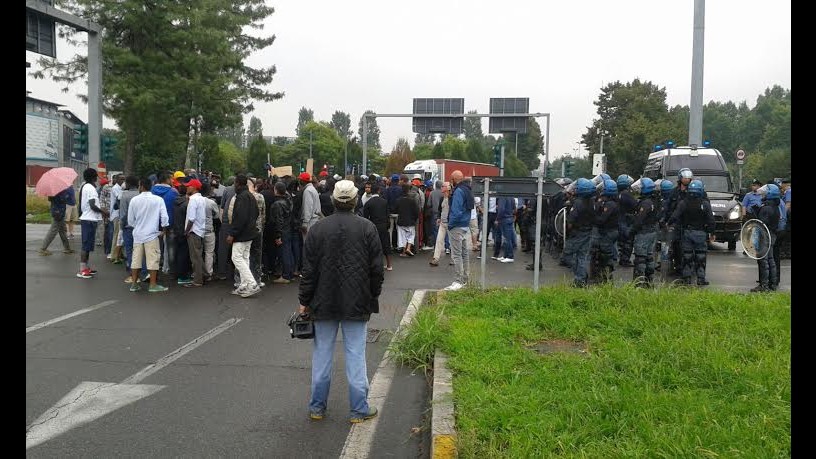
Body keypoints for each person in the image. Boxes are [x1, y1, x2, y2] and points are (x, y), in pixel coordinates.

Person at [298, 179, 384, 423]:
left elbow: (309, 271)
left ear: (333, 201)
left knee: (322, 355)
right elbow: (376, 270)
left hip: (322, 303)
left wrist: (304, 300)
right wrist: (372, 295)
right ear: (355, 200)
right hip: (357, 301)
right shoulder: (367, 228)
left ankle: (317, 407)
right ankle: (358, 409)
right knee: (356, 355)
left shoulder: (317, 229)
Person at [127, 178, 170, 292]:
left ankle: (134, 284)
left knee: (136, 260)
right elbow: (164, 217)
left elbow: (130, 220)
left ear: (141, 186)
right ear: (151, 186)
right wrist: (164, 230)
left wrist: (137, 226)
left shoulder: (134, 200)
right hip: (152, 234)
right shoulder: (158, 200)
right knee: (153, 260)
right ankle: (153, 284)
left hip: (138, 234)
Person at [669, 179, 714, 286]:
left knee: (687, 256)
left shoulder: (683, 203)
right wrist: (712, 233)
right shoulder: (705, 204)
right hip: (701, 233)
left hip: (687, 233)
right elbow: (711, 220)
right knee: (701, 257)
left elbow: (675, 216)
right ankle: (701, 279)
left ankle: (687, 279)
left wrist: (669, 223)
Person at [226, 174, 261, 298]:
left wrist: (232, 233)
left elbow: (239, 218)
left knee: (236, 258)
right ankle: (244, 284)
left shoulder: (241, 197)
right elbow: (256, 212)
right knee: (245, 258)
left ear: (237, 183)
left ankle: (251, 284)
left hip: (241, 234)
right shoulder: (251, 196)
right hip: (250, 232)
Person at [444, 170, 473, 291]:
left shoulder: (458, 191)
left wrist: (450, 225)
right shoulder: (468, 189)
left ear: (454, 179)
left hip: (456, 226)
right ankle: (466, 279)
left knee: (456, 255)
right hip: (465, 225)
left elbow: (456, 211)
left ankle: (458, 281)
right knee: (464, 253)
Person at [77, 168, 107, 279]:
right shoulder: (91, 188)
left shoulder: (85, 186)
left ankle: (86, 267)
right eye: (96, 176)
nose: (97, 179)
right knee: (86, 245)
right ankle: (82, 270)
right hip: (89, 219)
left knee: (88, 245)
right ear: (93, 177)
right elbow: (92, 205)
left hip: (87, 218)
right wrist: (103, 211)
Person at [751, 184, 781, 292]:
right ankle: (773, 284)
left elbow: (760, 223)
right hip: (772, 234)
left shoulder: (766, 208)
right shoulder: (775, 206)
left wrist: (756, 211)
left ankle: (764, 285)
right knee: (771, 260)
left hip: (764, 235)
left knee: (764, 261)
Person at [631, 178, 659, 287]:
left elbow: (639, 220)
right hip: (652, 231)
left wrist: (632, 231)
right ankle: (649, 281)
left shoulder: (645, 203)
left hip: (644, 232)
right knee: (649, 257)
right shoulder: (654, 200)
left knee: (640, 258)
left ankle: (639, 282)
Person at [363, 183, 393, 271]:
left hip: (373, 226)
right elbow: (388, 215)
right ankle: (389, 265)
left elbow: (366, 218)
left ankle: (373, 265)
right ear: (379, 191)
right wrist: (387, 225)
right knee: (386, 245)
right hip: (383, 226)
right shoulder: (384, 201)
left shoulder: (368, 203)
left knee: (372, 246)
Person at [183, 178, 207, 287]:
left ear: (194, 188)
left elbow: (191, 218)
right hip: (200, 229)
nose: (187, 187)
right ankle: (204, 274)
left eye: (189, 186)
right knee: (198, 255)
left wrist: (186, 231)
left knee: (195, 257)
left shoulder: (193, 200)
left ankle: (198, 280)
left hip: (193, 230)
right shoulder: (202, 199)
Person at [39, 186, 75, 256]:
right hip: (58, 212)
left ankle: (67, 248)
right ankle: (43, 249)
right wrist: (67, 193)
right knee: (53, 230)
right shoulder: (59, 190)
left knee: (63, 230)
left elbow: (50, 199)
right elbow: (65, 199)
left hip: (57, 211)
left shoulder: (52, 190)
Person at [430, 182, 451, 267]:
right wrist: (438, 217)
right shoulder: (442, 198)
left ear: (448, 188)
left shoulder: (451, 198)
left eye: (443, 186)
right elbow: (439, 209)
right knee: (439, 240)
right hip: (442, 222)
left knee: (453, 242)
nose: (441, 188)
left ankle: (454, 259)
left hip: (450, 223)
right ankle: (435, 259)